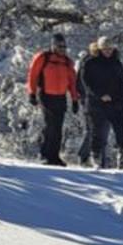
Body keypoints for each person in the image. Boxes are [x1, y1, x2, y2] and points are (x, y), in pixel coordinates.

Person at [27, 33, 81, 166]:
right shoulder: (43, 57)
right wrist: (31, 93)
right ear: (53, 45)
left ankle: (54, 156)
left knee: (58, 127)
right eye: (59, 46)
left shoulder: (67, 62)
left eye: (64, 46)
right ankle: (45, 154)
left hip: (61, 97)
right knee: (50, 124)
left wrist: (75, 99)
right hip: (46, 95)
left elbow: (72, 82)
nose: (62, 49)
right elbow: (32, 75)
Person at [78, 36, 123, 170]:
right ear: (99, 48)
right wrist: (100, 95)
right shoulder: (90, 62)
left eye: (110, 49)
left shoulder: (116, 62)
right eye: (105, 49)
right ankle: (95, 156)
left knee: (121, 129)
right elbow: (86, 83)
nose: (108, 51)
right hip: (96, 102)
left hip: (115, 102)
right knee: (97, 130)